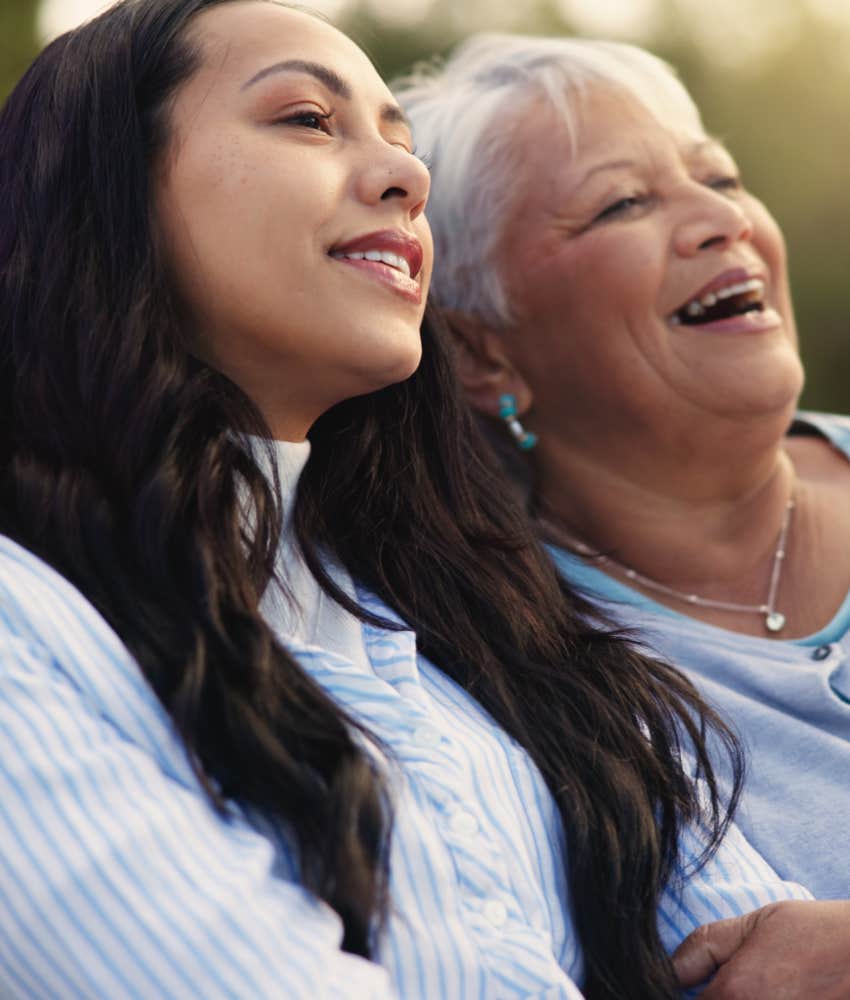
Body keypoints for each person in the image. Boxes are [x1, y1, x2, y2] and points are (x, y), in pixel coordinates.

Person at [0, 3, 814, 998]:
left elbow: (776, 956)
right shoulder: (27, 626)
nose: (407, 176)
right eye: (306, 118)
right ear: (110, 189)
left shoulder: (496, 627)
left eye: (400, 140)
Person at [396, 31, 850, 996]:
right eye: (623, 203)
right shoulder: (510, 682)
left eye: (720, 178)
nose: (716, 221)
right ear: (481, 353)